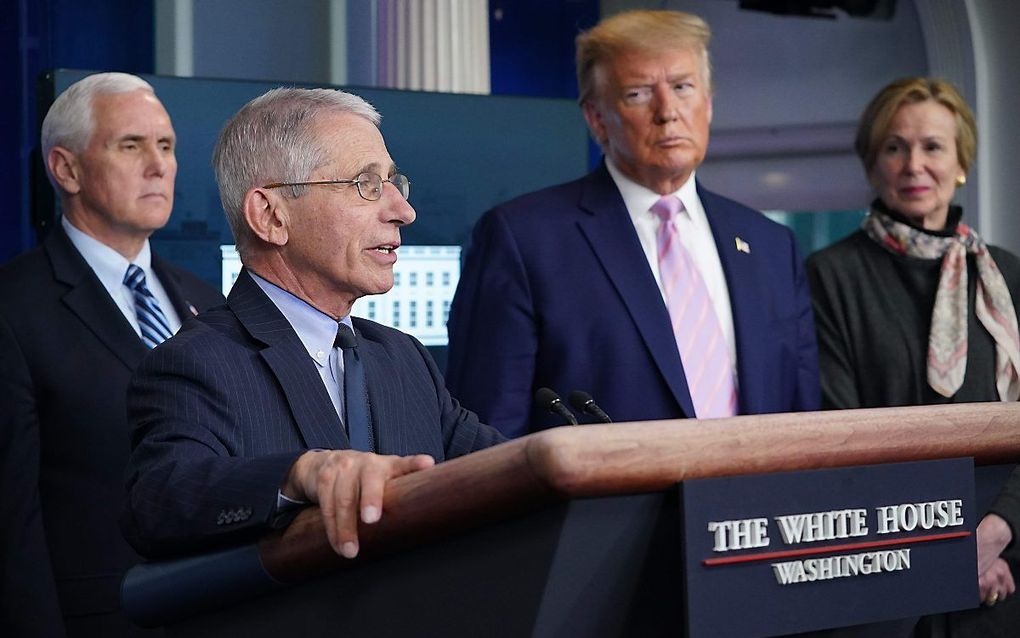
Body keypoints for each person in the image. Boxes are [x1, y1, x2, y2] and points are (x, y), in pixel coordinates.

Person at [120, 87, 505, 561]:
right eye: (366, 184)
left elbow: (503, 471)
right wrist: (297, 475)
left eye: (393, 183)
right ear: (271, 216)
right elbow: (160, 499)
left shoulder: (403, 358)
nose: (403, 212)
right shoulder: (196, 363)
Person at [445, 9, 819, 438]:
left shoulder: (771, 244)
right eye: (639, 94)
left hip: (748, 502)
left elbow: (803, 420)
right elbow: (487, 433)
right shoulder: (524, 240)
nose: (668, 112)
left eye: (682, 87)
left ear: (709, 104)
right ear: (597, 118)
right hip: (599, 505)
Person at [0, 73, 223, 637]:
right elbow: (11, 526)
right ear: (65, 169)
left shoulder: (206, 300)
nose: (160, 165)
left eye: (167, 146)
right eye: (132, 145)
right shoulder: (13, 308)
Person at [807, 77, 1019, 634]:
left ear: (960, 163)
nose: (913, 164)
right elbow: (841, 432)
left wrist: (999, 531)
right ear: (873, 164)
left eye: (932, 147)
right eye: (894, 147)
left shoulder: (1008, 275)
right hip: (887, 573)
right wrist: (945, 554)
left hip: (1006, 574)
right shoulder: (830, 276)